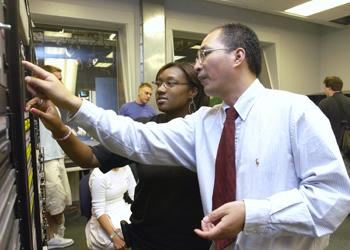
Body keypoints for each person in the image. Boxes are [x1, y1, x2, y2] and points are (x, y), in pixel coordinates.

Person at [23, 23, 350, 250]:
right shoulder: (205, 123)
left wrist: (253, 213)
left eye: (205, 54)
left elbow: (332, 199)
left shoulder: (295, 111)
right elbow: (136, 138)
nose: (198, 64)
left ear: (238, 56)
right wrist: (71, 102)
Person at [26, 62, 211, 249]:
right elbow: (88, 158)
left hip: (194, 239)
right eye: (159, 83)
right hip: (147, 238)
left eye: (170, 83)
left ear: (193, 91)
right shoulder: (145, 127)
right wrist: (59, 129)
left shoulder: (208, 131)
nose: (161, 89)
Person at [39, 65, 74, 249]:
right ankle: (50, 237)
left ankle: (56, 235)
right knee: (53, 201)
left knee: (62, 199)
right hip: (47, 159)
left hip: (57, 156)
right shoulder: (37, 101)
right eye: (56, 78)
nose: (60, 82)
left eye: (61, 79)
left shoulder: (53, 104)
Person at [85, 166, 136, 250]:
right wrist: (114, 237)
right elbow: (99, 211)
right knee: (125, 236)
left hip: (122, 208)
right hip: (104, 216)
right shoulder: (99, 175)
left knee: (144, 228)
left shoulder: (125, 167)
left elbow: (134, 194)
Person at [319, 76, 350, 173]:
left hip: (332, 145)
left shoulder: (324, 104)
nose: (324, 90)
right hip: (348, 144)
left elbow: (319, 127)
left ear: (329, 88)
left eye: (324, 88)